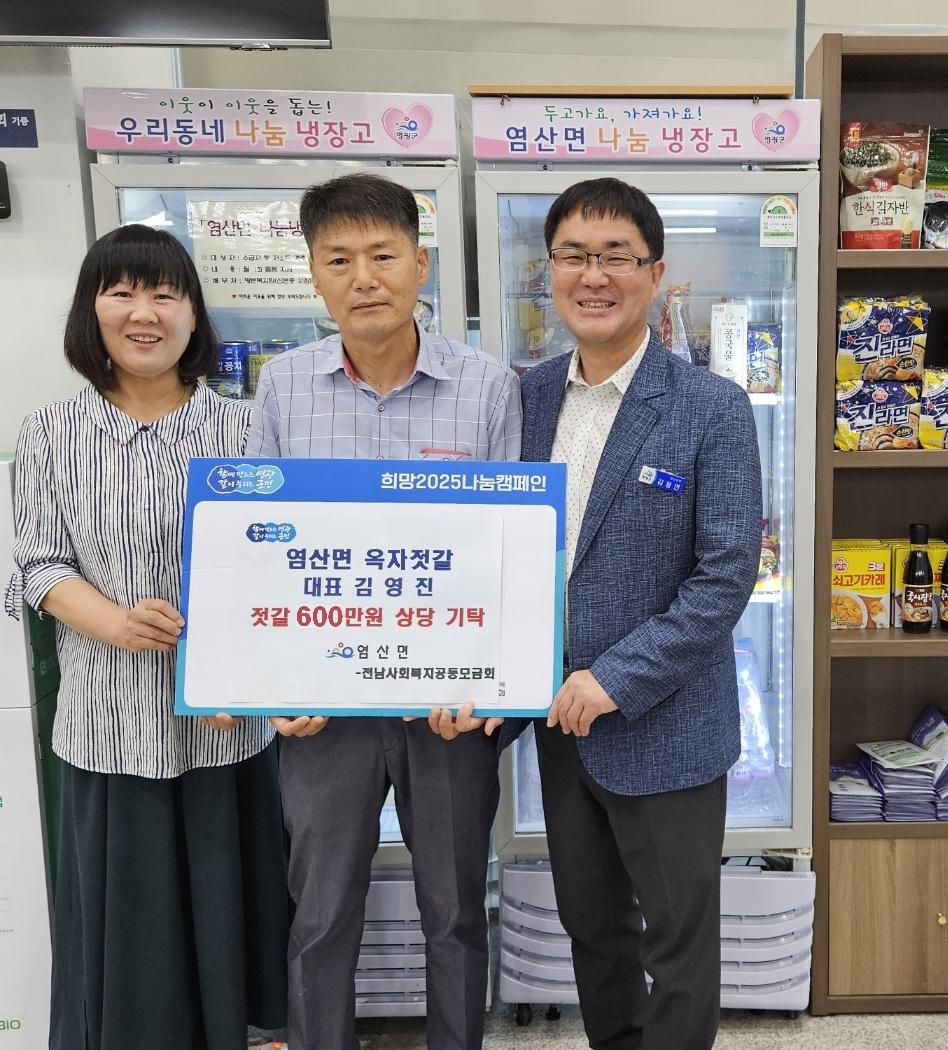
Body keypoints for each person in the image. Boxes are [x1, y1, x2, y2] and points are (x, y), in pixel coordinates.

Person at [246, 172, 522, 1050]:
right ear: (314, 275)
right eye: (339, 260)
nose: (363, 278)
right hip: (324, 710)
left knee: (456, 913)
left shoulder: (487, 386)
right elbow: (261, 549)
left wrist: (489, 683)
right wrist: (276, 684)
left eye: (382, 255)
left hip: (446, 706)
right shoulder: (283, 388)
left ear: (420, 264)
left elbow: (513, 549)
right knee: (320, 914)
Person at [8, 224, 287, 1049]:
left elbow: (279, 566)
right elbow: (38, 567)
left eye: (166, 294)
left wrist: (245, 676)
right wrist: (118, 623)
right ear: (90, 310)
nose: (144, 312)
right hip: (107, 726)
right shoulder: (51, 432)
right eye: (122, 292)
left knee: (227, 920)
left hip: (224, 728)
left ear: (194, 316)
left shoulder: (245, 429)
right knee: (131, 937)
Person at [519, 177, 763, 1050]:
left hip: (666, 725)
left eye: (616, 256)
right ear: (549, 271)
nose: (594, 276)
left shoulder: (711, 408)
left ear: (654, 274)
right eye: (574, 256)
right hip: (558, 724)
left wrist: (616, 678)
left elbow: (724, 576)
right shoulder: (526, 397)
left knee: (678, 944)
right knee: (594, 932)